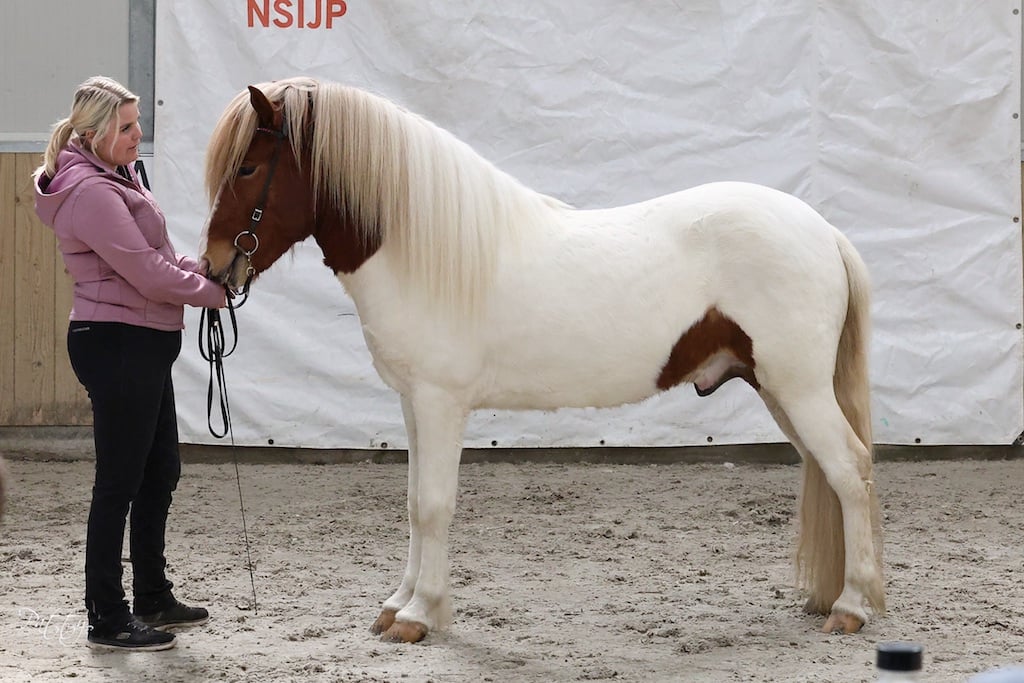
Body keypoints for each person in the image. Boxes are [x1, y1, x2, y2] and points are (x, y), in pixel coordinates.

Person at [33, 76, 226, 652]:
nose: (137, 136)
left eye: (137, 123)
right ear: (92, 135)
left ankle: (151, 595)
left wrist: (207, 269)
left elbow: (160, 258)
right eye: (125, 127)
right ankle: (107, 618)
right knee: (118, 482)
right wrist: (212, 292)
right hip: (117, 342)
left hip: (139, 342)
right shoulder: (91, 192)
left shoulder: (118, 177)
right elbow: (146, 274)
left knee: (159, 469)